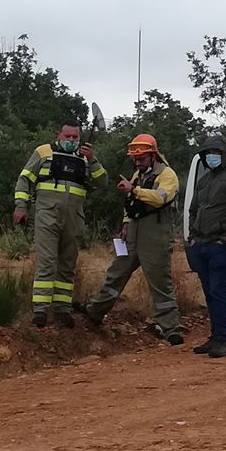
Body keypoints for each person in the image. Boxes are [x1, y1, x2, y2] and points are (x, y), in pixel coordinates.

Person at [79, 134, 184, 345]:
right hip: (134, 231)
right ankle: (95, 311)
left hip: (155, 233)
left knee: (159, 280)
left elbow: (160, 198)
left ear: (153, 155)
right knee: (117, 272)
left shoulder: (167, 175)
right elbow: (130, 203)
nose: (138, 163)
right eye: (135, 159)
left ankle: (170, 327)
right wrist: (126, 225)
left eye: (142, 159)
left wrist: (134, 189)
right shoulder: (138, 174)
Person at [14, 122, 109, 328]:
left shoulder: (85, 158)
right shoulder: (43, 152)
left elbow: (103, 183)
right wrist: (21, 207)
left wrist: (93, 160)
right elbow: (24, 180)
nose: (71, 140)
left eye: (75, 137)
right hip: (47, 216)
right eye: (68, 136)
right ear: (59, 135)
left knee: (67, 266)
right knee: (47, 263)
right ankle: (40, 312)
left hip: (74, 219)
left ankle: (62, 310)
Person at [187, 136, 226, 359]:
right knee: (209, 293)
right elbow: (194, 209)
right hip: (201, 244)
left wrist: (225, 238)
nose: (211, 156)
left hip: (221, 246)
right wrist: (193, 236)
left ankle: (222, 339)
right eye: (207, 152)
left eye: (215, 151)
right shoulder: (204, 181)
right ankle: (214, 336)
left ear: (224, 154)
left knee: (219, 291)